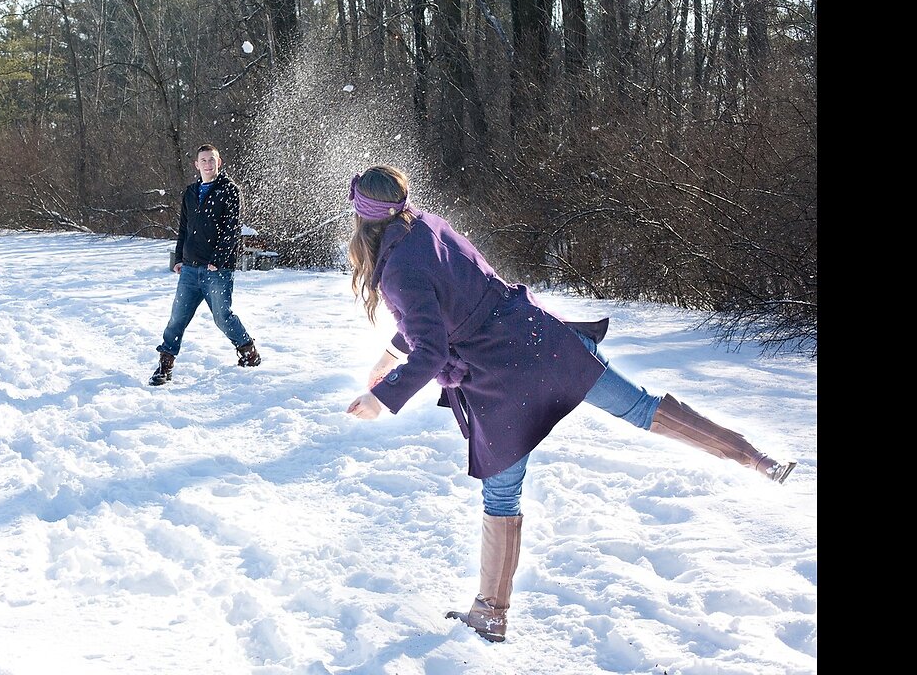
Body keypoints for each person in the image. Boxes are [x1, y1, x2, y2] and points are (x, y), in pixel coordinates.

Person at [342, 164, 796, 644]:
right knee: (642, 408)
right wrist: (389, 356)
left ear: (362, 217)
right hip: (543, 339)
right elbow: (443, 305)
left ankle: (491, 614)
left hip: (501, 378)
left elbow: (431, 346)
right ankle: (756, 459)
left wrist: (382, 397)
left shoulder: (397, 270)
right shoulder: (430, 226)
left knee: (501, 496)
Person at [148, 144, 262, 386]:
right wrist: (179, 258)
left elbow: (231, 229)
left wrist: (218, 259)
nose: (208, 164)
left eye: (212, 160)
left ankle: (248, 352)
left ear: (218, 163)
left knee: (222, 317)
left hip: (217, 270)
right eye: (203, 160)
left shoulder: (229, 190)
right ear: (196, 165)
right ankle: (165, 365)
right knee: (177, 318)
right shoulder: (190, 192)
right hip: (189, 269)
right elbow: (183, 228)